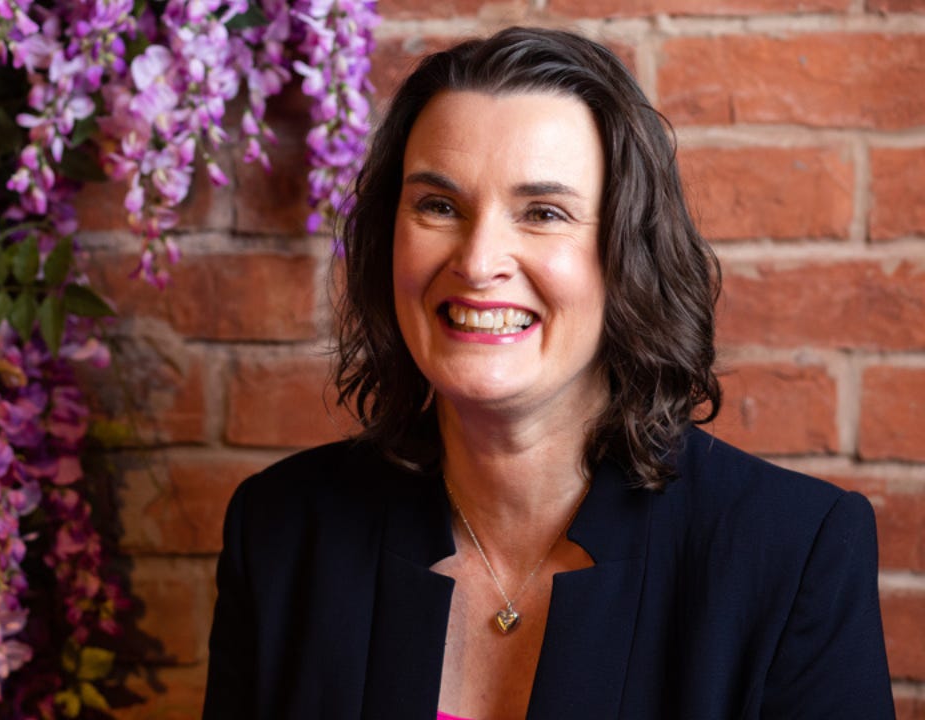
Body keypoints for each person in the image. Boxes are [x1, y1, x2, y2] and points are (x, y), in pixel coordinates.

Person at [202, 26, 894, 719]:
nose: (478, 262)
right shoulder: (281, 532)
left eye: (543, 213)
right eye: (439, 206)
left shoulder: (796, 552)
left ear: (628, 255)